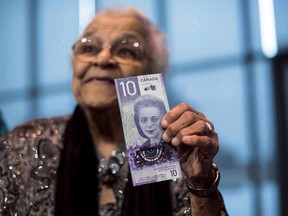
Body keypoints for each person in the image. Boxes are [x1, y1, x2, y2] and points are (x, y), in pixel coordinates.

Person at [0, 7, 228, 216]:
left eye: (126, 50)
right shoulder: (20, 147)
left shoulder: (178, 152)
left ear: (152, 72)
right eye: (89, 48)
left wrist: (201, 184)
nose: (103, 58)